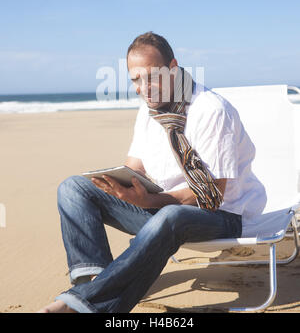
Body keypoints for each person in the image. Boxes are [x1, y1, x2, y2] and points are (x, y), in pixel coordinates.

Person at [38, 31, 264, 313]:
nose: (144, 88)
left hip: (223, 215)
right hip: (163, 208)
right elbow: (135, 166)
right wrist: (118, 185)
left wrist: (149, 201)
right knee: (73, 188)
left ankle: (83, 305)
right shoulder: (149, 109)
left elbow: (212, 194)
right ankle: (95, 281)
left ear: (173, 68)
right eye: (135, 79)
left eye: (151, 77)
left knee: (171, 215)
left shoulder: (211, 110)